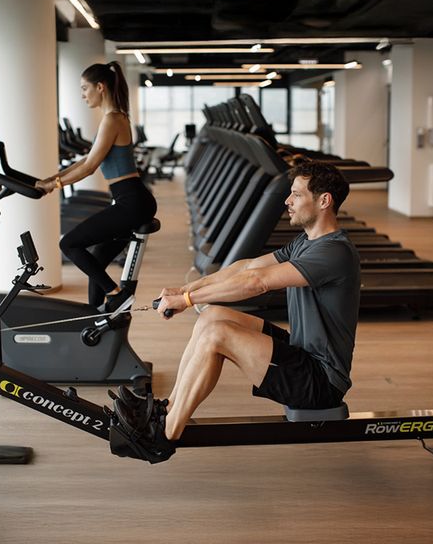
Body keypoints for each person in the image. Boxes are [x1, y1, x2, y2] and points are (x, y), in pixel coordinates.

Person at [111, 162, 360, 463]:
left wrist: (188, 299)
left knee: (217, 335)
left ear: (323, 201)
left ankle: (162, 436)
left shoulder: (334, 251)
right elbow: (249, 267)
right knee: (213, 316)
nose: (287, 201)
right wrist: (184, 290)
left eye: (296, 194)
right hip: (302, 352)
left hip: (320, 380)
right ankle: (167, 409)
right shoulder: (307, 243)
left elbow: (257, 282)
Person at [35, 62, 157, 311]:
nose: (82, 95)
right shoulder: (115, 117)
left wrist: (53, 185)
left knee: (68, 244)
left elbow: (90, 166)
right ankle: (93, 317)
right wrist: (50, 180)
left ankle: (116, 295)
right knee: (97, 259)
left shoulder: (112, 119)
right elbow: (86, 159)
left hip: (131, 201)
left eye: (84, 88)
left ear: (100, 87)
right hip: (133, 199)